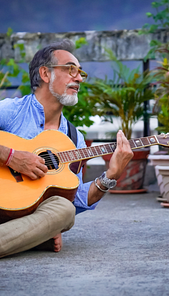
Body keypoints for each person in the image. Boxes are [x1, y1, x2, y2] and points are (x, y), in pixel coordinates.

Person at [0, 39, 133, 258]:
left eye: (80, 73)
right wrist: (11, 156)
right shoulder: (11, 111)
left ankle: (32, 234)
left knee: (64, 211)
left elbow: (75, 197)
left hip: (24, 212)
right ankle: (34, 237)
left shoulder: (73, 138)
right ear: (45, 74)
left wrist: (110, 176)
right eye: (71, 69)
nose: (79, 78)